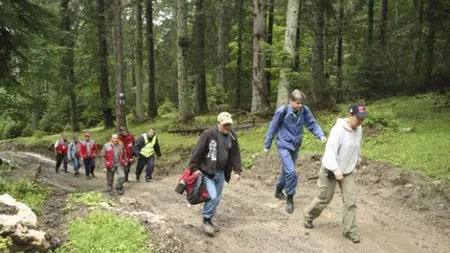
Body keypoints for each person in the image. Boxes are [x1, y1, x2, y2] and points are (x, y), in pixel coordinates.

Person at [303, 103, 367, 244]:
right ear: (350, 115)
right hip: (331, 170)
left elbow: (356, 147)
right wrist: (336, 170)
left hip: (348, 170)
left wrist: (357, 159)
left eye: (363, 118)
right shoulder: (338, 130)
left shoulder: (359, 129)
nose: (361, 121)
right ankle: (308, 216)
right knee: (324, 199)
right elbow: (330, 152)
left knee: (351, 202)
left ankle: (349, 230)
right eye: (358, 118)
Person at [264, 90, 327, 214]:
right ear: (291, 101)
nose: (300, 105)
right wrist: (267, 145)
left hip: (295, 146)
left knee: (288, 169)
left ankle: (278, 190)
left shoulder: (304, 110)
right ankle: (290, 198)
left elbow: (312, 124)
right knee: (291, 171)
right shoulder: (282, 111)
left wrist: (320, 135)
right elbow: (273, 127)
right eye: (298, 103)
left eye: (301, 103)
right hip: (283, 145)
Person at [188, 112, 242, 235]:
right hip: (207, 172)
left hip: (221, 172)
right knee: (212, 196)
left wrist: (237, 170)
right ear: (218, 123)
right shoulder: (208, 134)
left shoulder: (232, 135)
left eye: (229, 124)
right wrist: (194, 168)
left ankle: (209, 220)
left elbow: (235, 154)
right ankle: (206, 221)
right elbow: (198, 152)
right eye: (225, 125)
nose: (227, 127)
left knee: (216, 199)